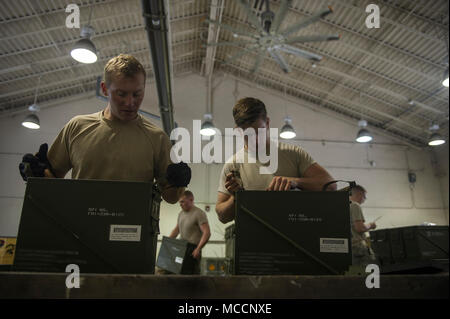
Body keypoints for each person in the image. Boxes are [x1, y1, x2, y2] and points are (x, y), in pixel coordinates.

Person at [18, 54, 189, 203]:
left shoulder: (157, 138)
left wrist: (178, 183)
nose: (130, 102)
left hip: (132, 233)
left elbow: (171, 197)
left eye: (137, 94)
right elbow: (52, 179)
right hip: (78, 229)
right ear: (105, 89)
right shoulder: (77, 127)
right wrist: (37, 173)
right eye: (121, 94)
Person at [215, 97, 336, 223]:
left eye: (259, 131)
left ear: (267, 123)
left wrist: (295, 182)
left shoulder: (293, 154)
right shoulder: (233, 166)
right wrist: (236, 197)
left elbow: (331, 186)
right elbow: (222, 217)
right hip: (252, 239)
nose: (255, 139)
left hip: (293, 238)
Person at [168, 190, 211, 274]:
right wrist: (167, 243)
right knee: (178, 273)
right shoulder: (181, 213)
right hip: (181, 248)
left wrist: (198, 249)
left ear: (191, 200)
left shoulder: (198, 213)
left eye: (183, 201)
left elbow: (207, 233)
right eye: (180, 202)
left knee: (191, 278)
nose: (180, 204)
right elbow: (177, 230)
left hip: (192, 250)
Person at [349, 184, 377, 267]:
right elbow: (360, 228)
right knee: (365, 276)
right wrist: (370, 225)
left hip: (349, 248)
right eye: (364, 196)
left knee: (354, 275)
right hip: (358, 248)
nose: (364, 199)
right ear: (359, 194)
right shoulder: (354, 205)